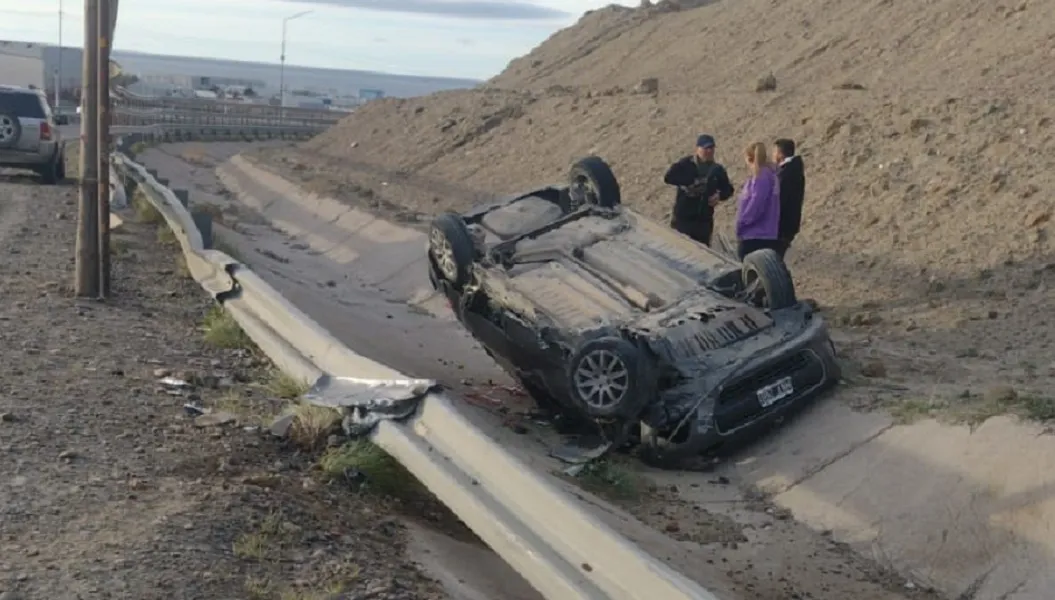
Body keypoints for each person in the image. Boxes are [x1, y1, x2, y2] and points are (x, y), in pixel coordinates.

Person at [663, 134, 735, 246]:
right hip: (683, 220)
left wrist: (719, 196)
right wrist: (688, 183)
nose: (709, 151)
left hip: (703, 223)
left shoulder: (717, 170)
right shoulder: (686, 164)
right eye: (706, 148)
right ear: (697, 149)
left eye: (711, 148)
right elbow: (668, 177)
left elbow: (728, 189)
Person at [735, 142, 782, 260]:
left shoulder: (761, 176)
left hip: (756, 235)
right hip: (762, 234)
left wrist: (743, 221)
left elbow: (757, 203)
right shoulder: (767, 175)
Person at [773, 138, 805, 258]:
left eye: (775, 152)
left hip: (783, 226)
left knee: (774, 261)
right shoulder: (790, 170)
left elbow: (779, 200)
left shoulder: (787, 173)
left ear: (780, 154)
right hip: (786, 225)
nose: (773, 155)